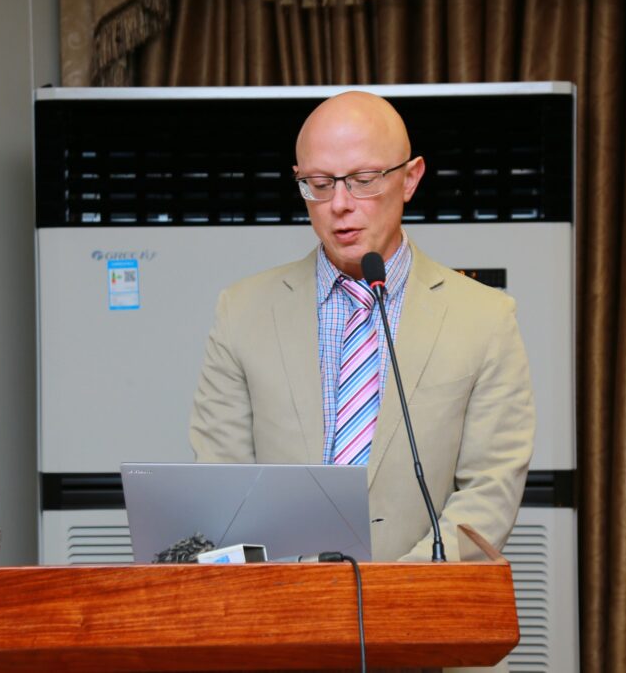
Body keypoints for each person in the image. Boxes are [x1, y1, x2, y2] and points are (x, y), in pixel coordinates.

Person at [189, 91, 534, 564]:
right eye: (318, 184)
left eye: (363, 181)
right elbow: (223, 483)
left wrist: (392, 592)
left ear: (410, 178)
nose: (339, 204)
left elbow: (489, 491)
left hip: (420, 600)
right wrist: (291, 593)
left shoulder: (485, 318)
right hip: (283, 599)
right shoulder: (242, 311)